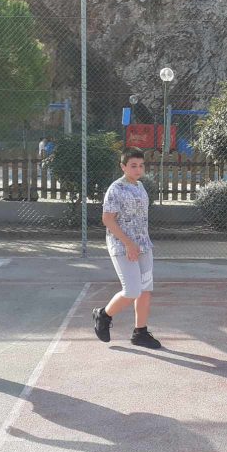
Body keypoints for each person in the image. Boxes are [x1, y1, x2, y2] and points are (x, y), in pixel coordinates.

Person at [92, 147, 161, 349]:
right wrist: (128, 243)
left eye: (141, 165)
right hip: (122, 246)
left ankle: (140, 333)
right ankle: (103, 315)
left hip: (143, 245)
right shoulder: (116, 189)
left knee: (145, 289)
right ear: (123, 167)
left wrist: (139, 243)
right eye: (133, 166)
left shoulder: (140, 186)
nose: (138, 169)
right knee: (132, 291)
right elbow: (107, 219)